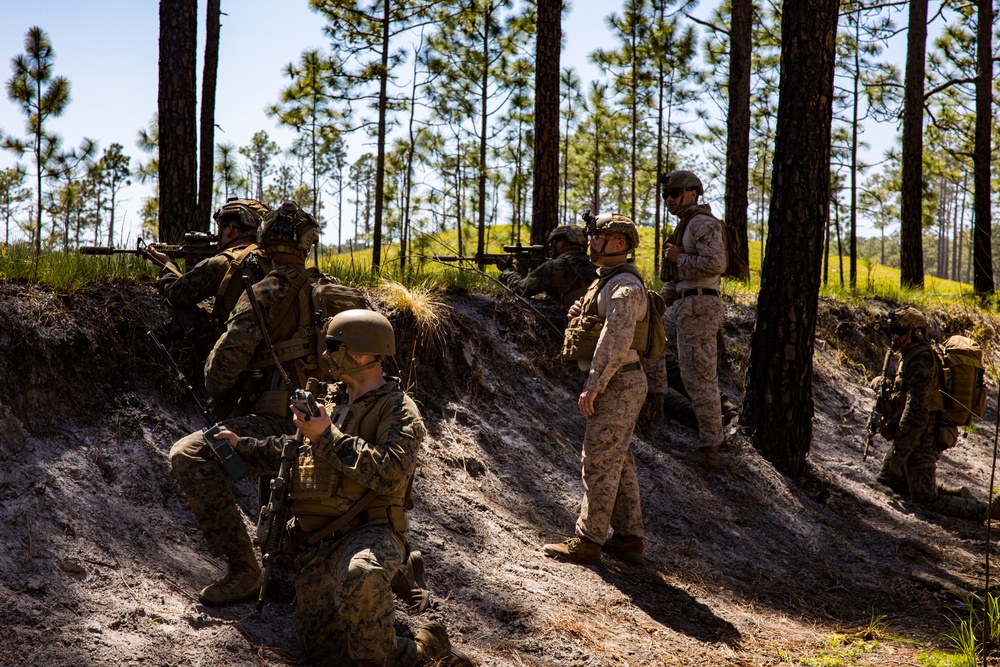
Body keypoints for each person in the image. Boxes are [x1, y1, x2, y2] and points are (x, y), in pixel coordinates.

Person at [213, 310, 474, 667]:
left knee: (362, 582)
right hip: (316, 541)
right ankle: (399, 637)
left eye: (334, 347)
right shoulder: (331, 403)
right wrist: (241, 444)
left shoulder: (398, 410)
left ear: (364, 353)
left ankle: (427, 646)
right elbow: (294, 452)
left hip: (369, 531)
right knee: (329, 655)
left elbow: (391, 471)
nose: (326, 356)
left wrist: (328, 436)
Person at [169, 200, 323, 606]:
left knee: (191, 454)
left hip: (282, 426)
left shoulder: (264, 292)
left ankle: (243, 569)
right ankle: (291, 559)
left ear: (268, 241)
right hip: (333, 429)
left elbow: (218, 375)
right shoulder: (337, 292)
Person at [544, 213, 648, 565]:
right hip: (617, 380)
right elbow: (601, 326)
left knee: (599, 461)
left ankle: (589, 540)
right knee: (618, 459)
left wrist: (594, 386)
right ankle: (629, 537)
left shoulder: (625, 287)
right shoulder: (606, 282)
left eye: (598, 238)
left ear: (619, 244)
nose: (590, 242)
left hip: (617, 381)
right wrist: (580, 313)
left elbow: (615, 342)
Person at [874, 307, 1000, 521]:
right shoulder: (911, 356)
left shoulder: (920, 363)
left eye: (900, 331)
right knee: (889, 477)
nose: (895, 336)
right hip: (915, 435)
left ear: (917, 334)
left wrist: (899, 453)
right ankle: (956, 495)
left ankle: (987, 511)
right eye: (893, 330)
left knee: (926, 500)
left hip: (924, 438)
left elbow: (916, 415)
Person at [658, 170, 726, 467]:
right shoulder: (686, 224)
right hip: (685, 303)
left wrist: (679, 258)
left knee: (698, 378)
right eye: (666, 195)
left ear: (692, 193)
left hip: (699, 305)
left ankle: (710, 446)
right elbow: (675, 280)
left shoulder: (700, 222)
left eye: (674, 193)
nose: (669, 199)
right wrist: (655, 304)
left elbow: (716, 263)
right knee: (651, 343)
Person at [149, 197, 272, 329]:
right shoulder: (271, 259)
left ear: (229, 229)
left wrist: (168, 265)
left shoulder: (223, 263)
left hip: (232, 345)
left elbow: (176, 294)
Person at [498, 224, 598, 309]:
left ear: (562, 243)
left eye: (552, 244)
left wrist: (508, 271)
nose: (550, 249)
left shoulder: (553, 267)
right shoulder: (597, 264)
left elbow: (520, 289)